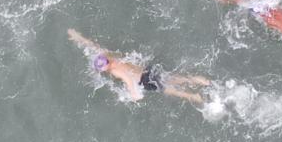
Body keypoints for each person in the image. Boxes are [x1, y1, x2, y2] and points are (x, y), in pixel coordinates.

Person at [65, 29, 212, 107]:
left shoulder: (114, 71)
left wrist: (133, 95)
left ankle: (193, 96)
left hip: (145, 80)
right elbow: (92, 45)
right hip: (148, 70)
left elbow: (128, 79)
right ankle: (202, 81)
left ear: (104, 68)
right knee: (174, 78)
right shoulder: (109, 55)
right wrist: (77, 37)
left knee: (169, 90)